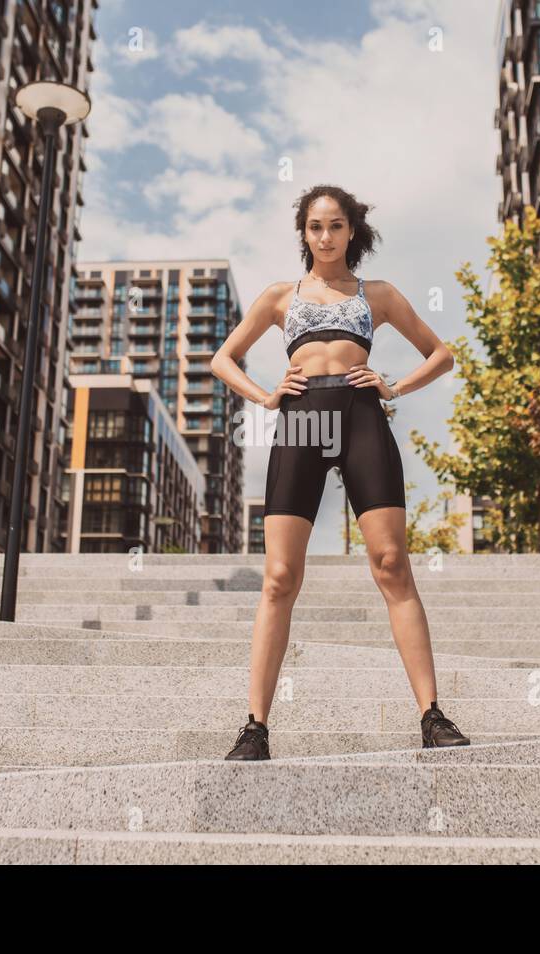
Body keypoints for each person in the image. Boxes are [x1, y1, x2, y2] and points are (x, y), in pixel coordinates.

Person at [211, 184, 470, 761]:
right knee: (279, 576)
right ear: (303, 234)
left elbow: (442, 353)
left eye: (335, 226)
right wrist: (267, 396)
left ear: (352, 231)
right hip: (301, 419)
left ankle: (432, 715)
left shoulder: (377, 294)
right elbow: (222, 358)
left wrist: (394, 385)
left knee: (392, 564)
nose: (325, 237)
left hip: (361, 418)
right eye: (314, 227)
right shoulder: (281, 296)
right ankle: (255, 728)